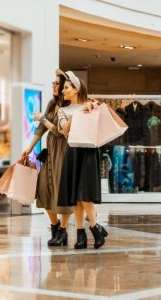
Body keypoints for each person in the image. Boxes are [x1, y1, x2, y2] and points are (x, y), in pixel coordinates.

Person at [57, 71, 108, 249]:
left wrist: (89, 107)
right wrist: (78, 114)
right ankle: (81, 235)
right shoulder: (62, 110)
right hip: (72, 150)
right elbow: (63, 129)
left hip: (88, 151)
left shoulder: (90, 105)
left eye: (66, 87)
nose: (62, 90)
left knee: (84, 193)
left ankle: (94, 229)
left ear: (76, 89)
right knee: (75, 197)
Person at [22, 69, 73, 247]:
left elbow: (59, 132)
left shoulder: (68, 107)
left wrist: (43, 119)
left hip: (63, 151)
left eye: (56, 83)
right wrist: (28, 149)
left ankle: (63, 231)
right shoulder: (52, 103)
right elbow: (41, 129)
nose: (53, 85)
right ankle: (55, 226)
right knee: (44, 188)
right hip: (50, 150)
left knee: (62, 191)